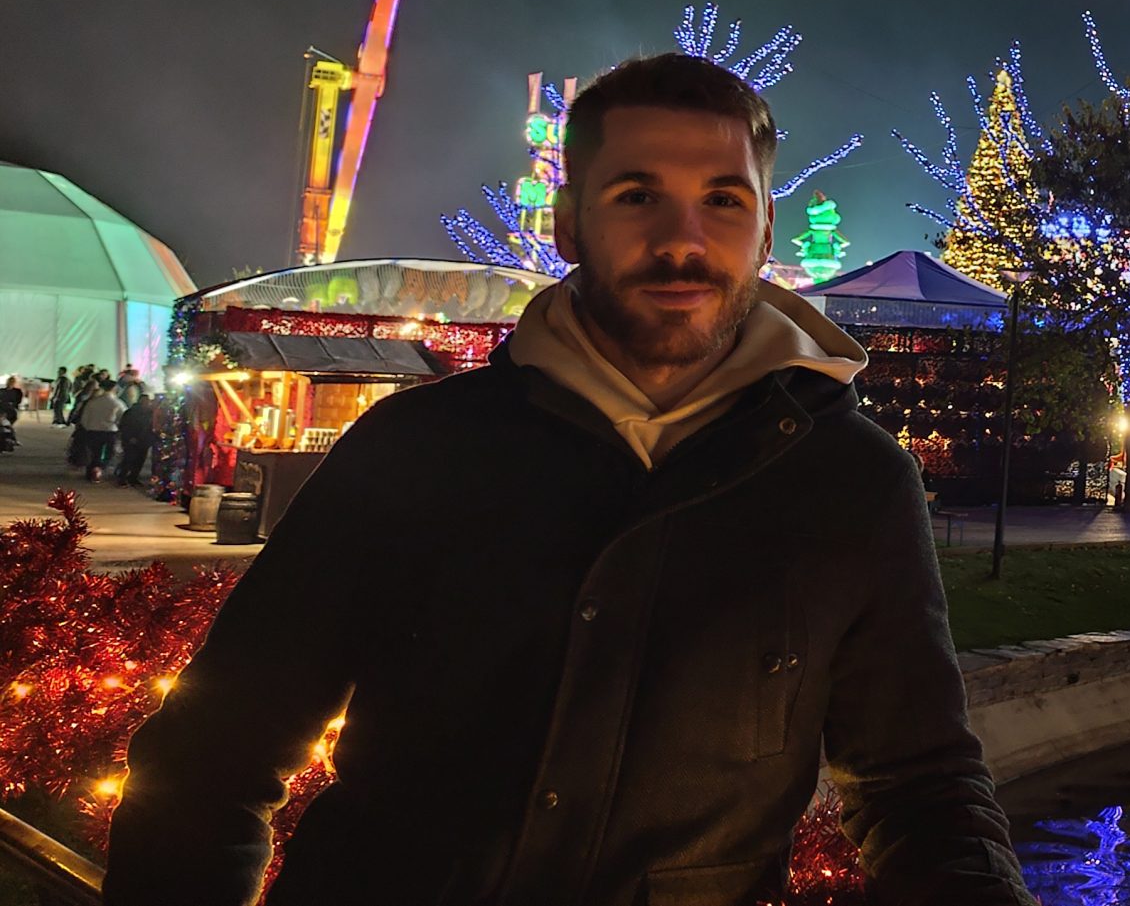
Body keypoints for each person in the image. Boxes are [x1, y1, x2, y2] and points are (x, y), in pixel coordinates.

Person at [106, 55, 1037, 906]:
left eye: (723, 199)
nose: (683, 239)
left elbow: (920, 786)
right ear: (567, 221)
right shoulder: (419, 447)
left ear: (764, 229)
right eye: (638, 195)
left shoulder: (850, 483)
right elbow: (214, 756)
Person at [73, 382, 122, 484]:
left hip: (93, 431)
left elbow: (84, 419)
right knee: (109, 453)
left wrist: (88, 427)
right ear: (114, 389)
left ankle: (91, 471)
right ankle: (99, 468)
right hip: (110, 431)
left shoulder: (93, 402)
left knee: (94, 453)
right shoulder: (117, 403)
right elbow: (122, 418)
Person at [115, 394, 159, 488]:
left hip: (144, 440)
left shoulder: (149, 413)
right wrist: (130, 437)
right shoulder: (132, 412)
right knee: (129, 459)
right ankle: (123, 478)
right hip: (133, 439)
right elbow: (125, 425)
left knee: (139, 460)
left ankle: (133, 478)